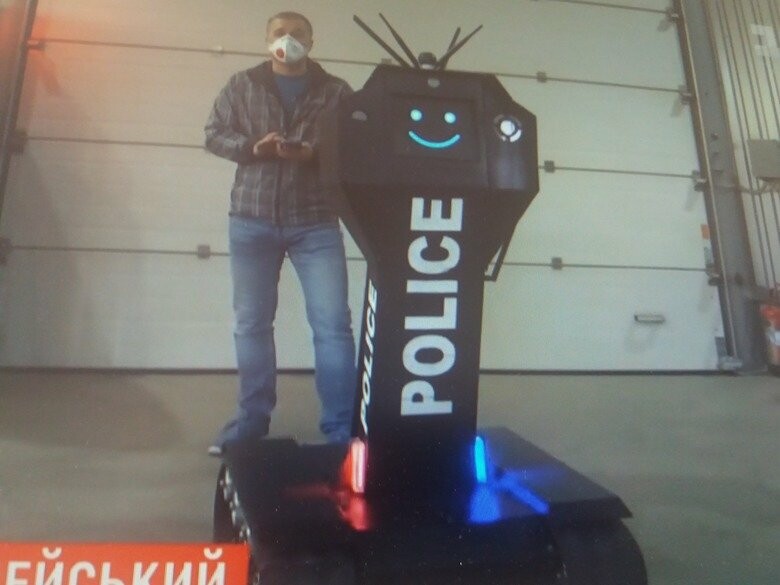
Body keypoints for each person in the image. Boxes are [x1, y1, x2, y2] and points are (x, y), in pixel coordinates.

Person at [204, 11, 356, 455]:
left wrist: (314, 154)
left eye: (297, 33)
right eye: (279, 33)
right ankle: (250, 422)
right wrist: (252, 148)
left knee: (332, 325)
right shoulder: (242, 85)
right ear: (267, 39)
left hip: (316, 222)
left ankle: (342, 429)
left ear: (312, 40)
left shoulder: (336, 91)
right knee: (251, 323)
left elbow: (355, 146)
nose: (288, 40)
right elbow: (213, 134)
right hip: (251, 220)